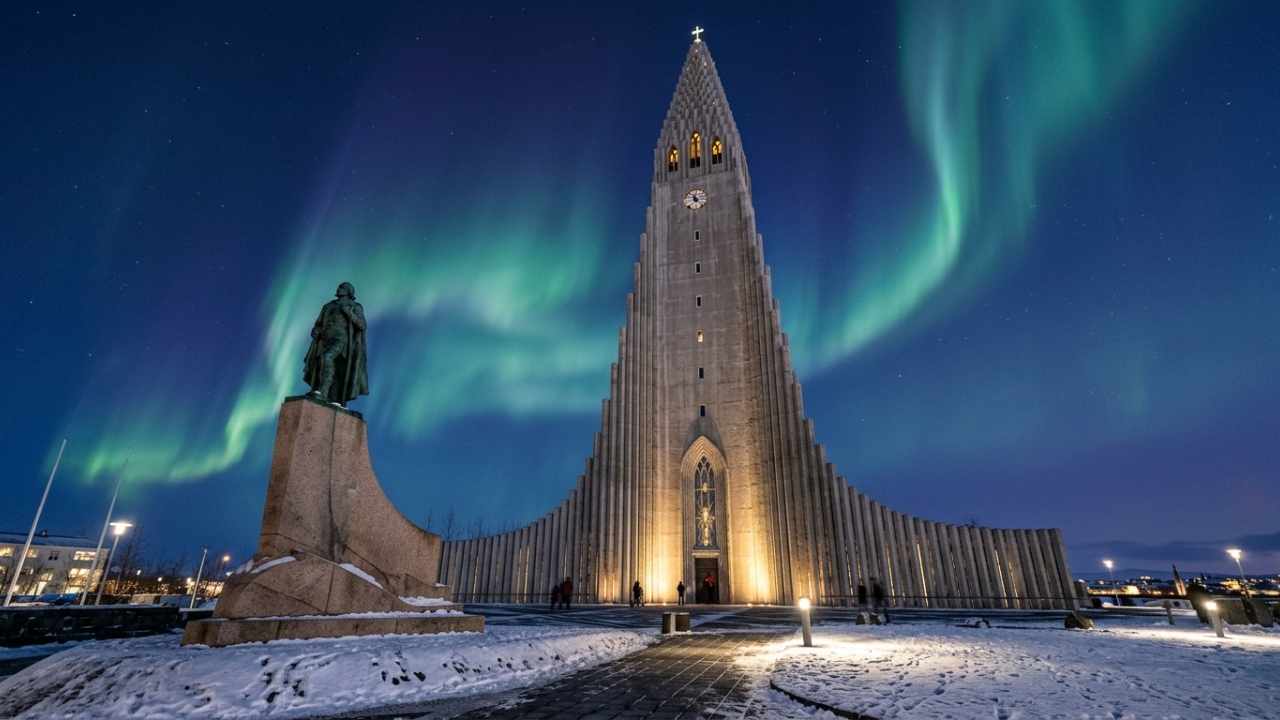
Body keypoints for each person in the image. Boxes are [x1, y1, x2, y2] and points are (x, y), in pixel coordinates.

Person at [303, 282, 369, 406]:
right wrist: (316, 330)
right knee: (324, 363)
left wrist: (349, 313)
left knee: (327, 356)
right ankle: (330, 396)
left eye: (342, 287)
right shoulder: (328, 306)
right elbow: (319, 323)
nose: (339, 289)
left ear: (349, 291)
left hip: (340, 339)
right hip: (324, 339)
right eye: (339, 287)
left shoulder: (354, 306)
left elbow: (362, 325)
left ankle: (322, 392)